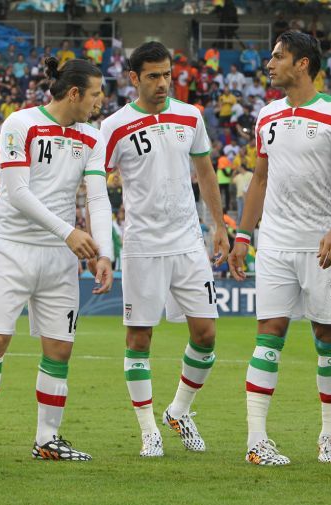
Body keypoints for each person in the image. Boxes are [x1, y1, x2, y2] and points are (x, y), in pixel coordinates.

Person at [0, 57, 114, 462]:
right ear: (74, 93)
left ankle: (47, 440)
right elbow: (17, 193)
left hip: (59, 258)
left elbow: (97, 198)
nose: (100, 101)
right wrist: (69, 232)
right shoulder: (20, 123)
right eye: (96, 93)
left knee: (59, 350)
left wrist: (105, 253)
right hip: (12, 248)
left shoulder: (92, 138)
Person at [229, 31, 331, 466]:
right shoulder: (267, 115)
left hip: (321, 245)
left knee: (328, 337)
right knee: (269, 334)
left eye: (278, 56)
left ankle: (329, 437)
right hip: (274, 244)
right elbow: (259, 180)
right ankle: (256, 440)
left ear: (302, 63)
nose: (270, 64)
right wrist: (243, 236)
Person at [100, 42, 229, 458]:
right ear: (133, 78)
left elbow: (205, 173)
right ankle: (148, 430)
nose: (162, 83)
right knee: (139, 338)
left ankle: (179, 411)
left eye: (167, 75)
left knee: (206, 335)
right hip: (143, 245)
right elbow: (95, 181)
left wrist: (218, 225)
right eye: (153, 76)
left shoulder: (190, 115)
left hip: (188, 242)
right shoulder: (114, 126)